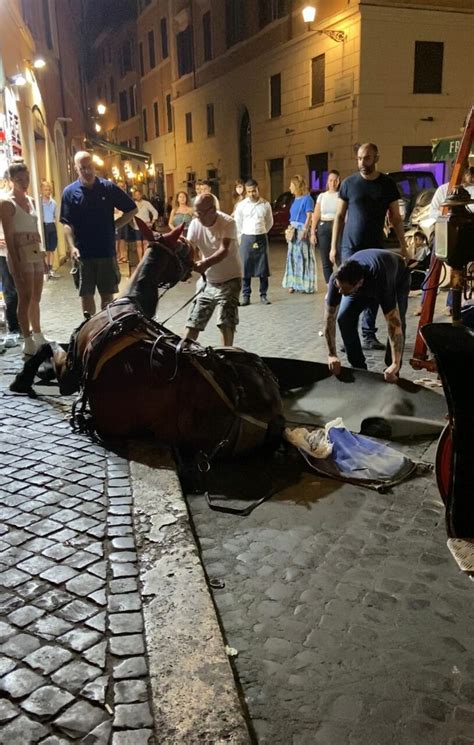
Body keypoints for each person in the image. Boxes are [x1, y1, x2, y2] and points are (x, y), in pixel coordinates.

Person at [330, 143, 407, 350]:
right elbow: (339, 216)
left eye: (367, 158)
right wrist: (333, 246)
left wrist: (404, 246)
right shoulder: (348, 183)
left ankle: (368, 334)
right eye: (359, 158)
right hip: (350, 247)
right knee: (350, 291)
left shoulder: (387, 184)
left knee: (373, 293)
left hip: (374, 247)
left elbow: (396, 218)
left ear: (376, 158)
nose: (362, 163)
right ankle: (349, 335)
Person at [60, 151, 137, 317]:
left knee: (107, 296)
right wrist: (72, 247)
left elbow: (132, 209)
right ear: (76, 168)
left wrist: (115, 225)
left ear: (94, 166)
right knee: (86, 295)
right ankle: (89, 328)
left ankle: (104, 329)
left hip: (106, 251)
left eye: (89, 167)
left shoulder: (108, 188)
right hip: (83, 253)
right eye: (82, 168)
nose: (87, 171)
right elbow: (67, 223)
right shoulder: (69, 192)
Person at [324, 249, 410, 382]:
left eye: (344, 290)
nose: (340, 292)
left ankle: (392, 369)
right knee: (344, 318)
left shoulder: (381, 281)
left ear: (358, 284)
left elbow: (394, 325)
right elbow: (329, 319)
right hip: (365, 278)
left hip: (398, 275)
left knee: (399, 321)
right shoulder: (337, 280)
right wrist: (332, 355)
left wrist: (395, 363)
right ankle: (358, 367)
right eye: (339, 287)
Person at [0, 161, 48, 356]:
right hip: (20, 251)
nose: (24, 182)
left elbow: (35, 229)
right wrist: (16, 262)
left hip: (34, 250)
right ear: (11, 180)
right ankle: (26, 339)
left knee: (36, 296)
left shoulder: (30, 200)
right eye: (19, 179)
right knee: (25, 297)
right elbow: (9, 235)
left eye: (26, 178)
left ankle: (38, 333)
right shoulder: (6, 203)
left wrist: (43, 254)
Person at [184, 193, 242, 346]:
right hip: (207, 281)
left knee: (225, 322)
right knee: (194, 321)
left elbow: (224, 250)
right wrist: (190, 261)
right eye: (196, 213)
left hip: (230, 278)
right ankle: (183, 354)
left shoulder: (228, 223)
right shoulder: (196, 223)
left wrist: (204, 264)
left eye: (201, 213)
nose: (198, 217)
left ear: (213, 210)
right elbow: (189, 247)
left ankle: (226, 355)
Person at [234, 179, 273, 305]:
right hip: (246, 237)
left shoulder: (265, 204)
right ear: (246, 191)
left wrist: (262, 231)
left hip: (261, 237)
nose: (252, 194)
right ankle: (246, 295)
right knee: (246, 268)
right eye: (249, 191)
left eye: (254, 191)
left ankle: (263, 294)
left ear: (258, 189)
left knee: (263, 268)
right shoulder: (241, 206)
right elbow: (238, 223)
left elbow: (269, 222)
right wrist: (241, 238)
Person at [282, 175, 315, 294]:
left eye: (291, 185)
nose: (289, 187)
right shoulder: (294, 199)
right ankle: (292, 283)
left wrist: (305, 230)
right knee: (292, 257)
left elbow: (309, 216)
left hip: (301, 229)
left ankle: (304, 284)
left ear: (296, 186)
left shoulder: (307, 199)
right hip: (293, 230)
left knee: (303, 257)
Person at [0, 176, 20, 349]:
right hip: (3, 253)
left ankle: (21, 325)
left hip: (18, 251)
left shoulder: (14, 200)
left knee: (21, 290)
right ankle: (14, 327)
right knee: (10, 291)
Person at [310, 170, 340, 285]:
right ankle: (330, 287)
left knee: (338, 258)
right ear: (327, 182)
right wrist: (313, 232)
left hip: (337, 227)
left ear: (338, 181)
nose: (333, 183)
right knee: (325, 260)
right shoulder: (321, 196)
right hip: (324, 227)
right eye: (331, 180)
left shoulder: (341, 195)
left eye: (335, 180)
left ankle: (342, 284)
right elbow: (316, 215)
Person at [132, 189, 158, 261]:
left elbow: (154, 212)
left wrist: (152, 222)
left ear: (141, 195)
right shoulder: (133, 204)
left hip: (146, 225)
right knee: (138, 243)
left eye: (139, 194)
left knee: (145, 243)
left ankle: (145, 258)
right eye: (135, 195)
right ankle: (140, 260)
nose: (137, 196)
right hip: (137, 226)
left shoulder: (146, 203)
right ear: (134, 196)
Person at [41, 181, 59, 279]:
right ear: (42, 191)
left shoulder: (53, 203)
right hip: (44, 225)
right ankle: (46, 269)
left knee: (52, 248)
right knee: (45, 248)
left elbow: (55, 216)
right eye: (45, 190)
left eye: (49, 190)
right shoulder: (40, 203)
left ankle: (51, 268)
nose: (47, 192)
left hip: (51, 225)